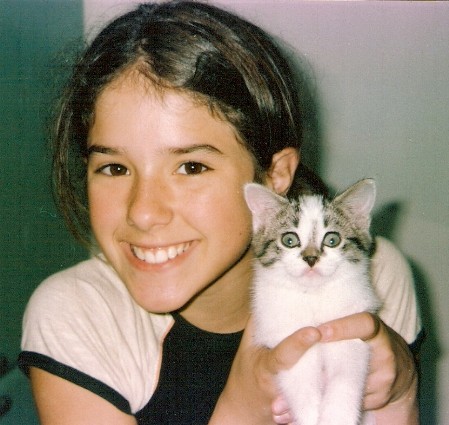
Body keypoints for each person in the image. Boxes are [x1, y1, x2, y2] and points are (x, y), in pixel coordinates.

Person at [19, 1, 422, 424]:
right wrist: (241, 412)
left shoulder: (372, 275)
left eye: (191, 167)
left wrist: (399, 393)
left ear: (275, 175)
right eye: (115, 168)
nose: (143, 213)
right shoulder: (79, 315)